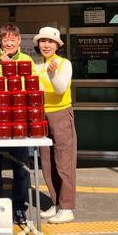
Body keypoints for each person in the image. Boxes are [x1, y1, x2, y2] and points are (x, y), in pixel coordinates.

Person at [0, 23, 35, 224]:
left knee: (21, 166)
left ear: (19, 40)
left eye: (12, 39)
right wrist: (2, 66)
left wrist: (9, 70)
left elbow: (27, 87)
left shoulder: (27, 60)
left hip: (18, 119)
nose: (9, 43)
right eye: (5, 39)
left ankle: (18, 207)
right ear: (0, 41)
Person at [34, 26, 77, 224]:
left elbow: (60, 89)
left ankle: (67, 208)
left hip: (61, 113)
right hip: (41, 115)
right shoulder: (36, 65)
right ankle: (56, 203)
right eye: (43, 41)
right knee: (47, 162)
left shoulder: (64, 63)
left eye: (50, 41)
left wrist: (52, 74)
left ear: (57, 45)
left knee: (64, 162)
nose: (46, 45)